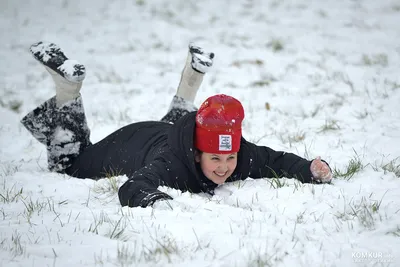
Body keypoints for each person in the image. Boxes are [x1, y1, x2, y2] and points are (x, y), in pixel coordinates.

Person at [21, 42, 333, 208]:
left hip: (167, 132)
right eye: (215, 159)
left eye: (229, 158)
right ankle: (68, 90)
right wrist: (155, 200)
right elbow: (133, 186)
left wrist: (308, 168)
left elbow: (274, 161)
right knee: (68, 164)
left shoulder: (238, 153)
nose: (224, 167)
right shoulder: (170, 166)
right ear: (197, 155)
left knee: (176, 129)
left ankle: (191, 77)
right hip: (126, 144)